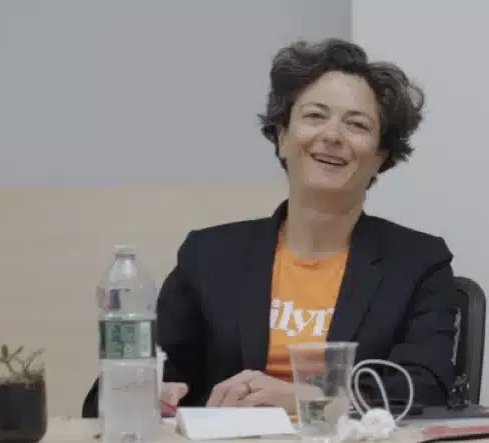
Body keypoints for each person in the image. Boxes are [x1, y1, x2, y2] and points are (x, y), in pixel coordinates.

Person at [82, 37, 459, 418]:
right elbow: (112, 392)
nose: (331, 136)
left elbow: (424, 391)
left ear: (380, 157)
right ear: (282, 137)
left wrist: (304, 399)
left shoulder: (418, 263)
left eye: (356, 124)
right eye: (315, 116)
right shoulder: (209, 256)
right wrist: (147, 395)